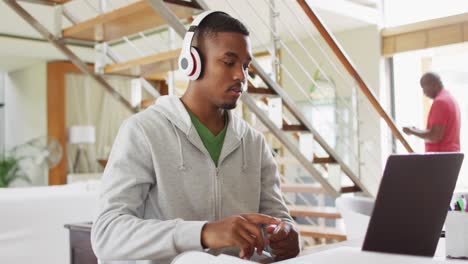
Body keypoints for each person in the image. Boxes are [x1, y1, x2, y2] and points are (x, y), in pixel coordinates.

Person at [91, 11, 300, 264]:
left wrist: (287, 234)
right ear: (192, 62)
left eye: (245, 66)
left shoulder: (254, 143)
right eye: (228, 62)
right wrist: (203, 233)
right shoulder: (143, 131)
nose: (241, 77)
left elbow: (278, 217)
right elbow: (106, 235)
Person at [403, 72, 461, 152]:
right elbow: (436, 132)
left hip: (441, 156)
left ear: (433, 84)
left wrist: (412, 132)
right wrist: (415, 130)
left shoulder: (440, 102)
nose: (424, 92)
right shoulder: (449, 98)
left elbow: (435, 136)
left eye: (424, 87)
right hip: (451, 155)